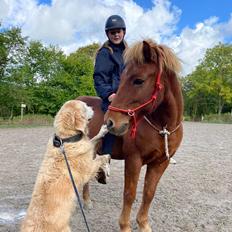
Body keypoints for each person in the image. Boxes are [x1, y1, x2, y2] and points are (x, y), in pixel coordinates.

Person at [93, 15, 127, 183]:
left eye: (118, 32)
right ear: (108, 34)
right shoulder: (105, 53)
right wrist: (109, 94)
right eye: (112, 32)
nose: (116, 35)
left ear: (123, 32)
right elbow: (99, 78)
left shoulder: (129, 52)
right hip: (112, 96)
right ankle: (104, 159)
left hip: (128, 95)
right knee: (112, 122)